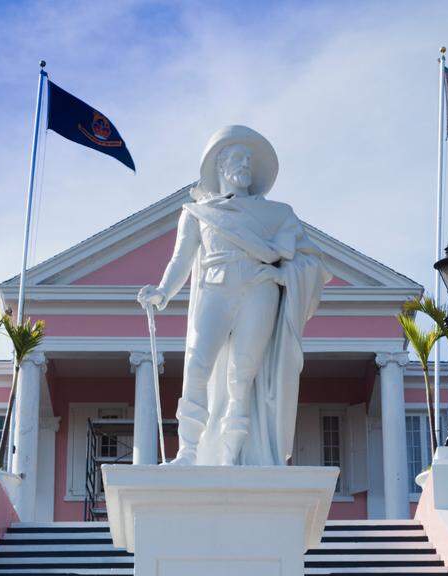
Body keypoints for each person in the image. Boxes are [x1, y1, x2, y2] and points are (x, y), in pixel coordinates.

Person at [138, 125, 330, 466]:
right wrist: (163, 292)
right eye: (237, 158)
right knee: (197, 364)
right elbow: (181, 259)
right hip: (216, 285)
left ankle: (231, 457)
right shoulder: (197, 213)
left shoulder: (278, 214)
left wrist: (280, 273)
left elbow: (310, 261)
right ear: (220, 166)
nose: (245, 165)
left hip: (259, 291)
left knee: (242, 375)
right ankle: (188, 453)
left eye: (248, 160)